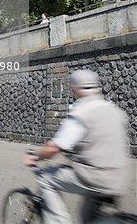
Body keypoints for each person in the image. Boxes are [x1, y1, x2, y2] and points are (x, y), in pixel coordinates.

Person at [23, 69, 128, 224]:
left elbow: (54, 148)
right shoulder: (113, 109)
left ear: (75, 88)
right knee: (88, 216)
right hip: (119, 177)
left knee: (45, 178)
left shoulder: (82, 112)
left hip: (94, 176)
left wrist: (35, 156)